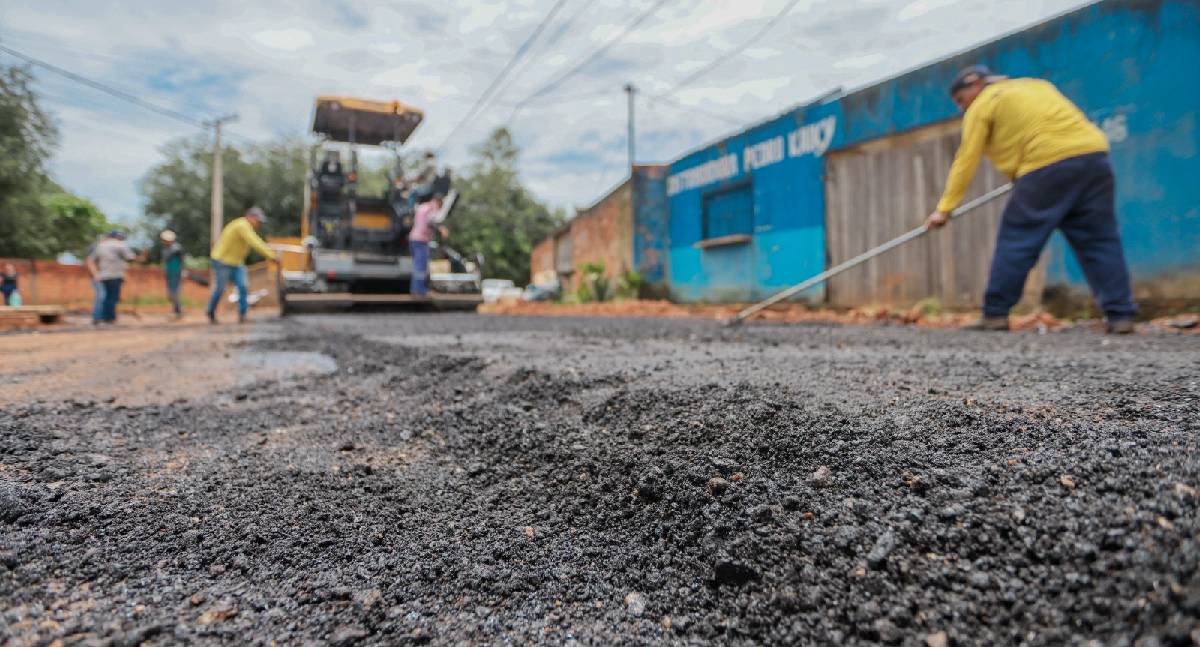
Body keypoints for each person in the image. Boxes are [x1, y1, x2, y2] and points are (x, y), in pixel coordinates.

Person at [926, 65, 1137, 334]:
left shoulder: (984, 103)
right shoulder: (1036, 85)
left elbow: (966, 160)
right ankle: (1121, 315)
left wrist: (944, 209)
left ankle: (995, 314)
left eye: (960, 100)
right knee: (1100, 241)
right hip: (1093, 158)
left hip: (1044, 165)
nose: (960, 108)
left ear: (975, 86)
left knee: (1017, 239)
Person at [207, 206, 277, 324]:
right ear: (250, 217)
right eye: (258, 220)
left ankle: (243, 315)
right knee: (220, 289)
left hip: (237, 263)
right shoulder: (241, 226)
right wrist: (272, 256)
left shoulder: (247, 227)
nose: (259, 224)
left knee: (243, 286)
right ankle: (210, 312)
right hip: (222, 261)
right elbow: (254, 242)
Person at [86, 230, 138, 324]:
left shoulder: (100, 246)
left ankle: (102, 317)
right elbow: (131, 258)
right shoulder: (120, 245)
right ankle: (108, 318)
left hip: (103, 275)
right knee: (111, 297)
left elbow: (90, 260)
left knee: (104, 297)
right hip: (113, 275)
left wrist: (96, 274)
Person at [409, 193, 445, 297]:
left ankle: (416, 289)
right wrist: (441, 229)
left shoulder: (422, 207)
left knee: (417, 265)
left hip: (413, 239)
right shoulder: (432, 208)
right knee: (421, 266)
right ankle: (420, 290)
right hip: (421, 240)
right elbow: (430, 222)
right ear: (438, 202)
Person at [161, 230, 185, 318]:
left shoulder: (176, 248)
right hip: (169, 273)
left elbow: (181, 258)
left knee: (174, 293)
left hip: (176, 273)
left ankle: (178, 311)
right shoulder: (166, 249)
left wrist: (183, 270)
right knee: (170, 294)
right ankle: (176, 310)